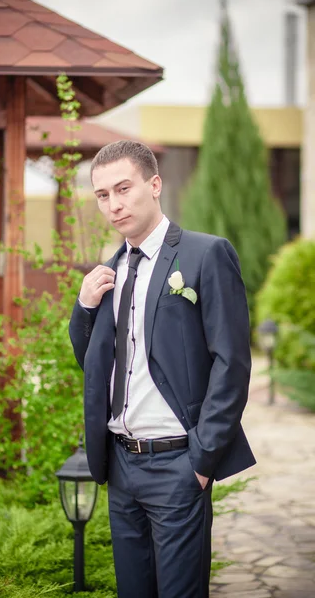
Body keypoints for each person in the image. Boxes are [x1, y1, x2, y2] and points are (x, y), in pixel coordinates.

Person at [69, 140, 255, 598]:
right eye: (102, 195)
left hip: (178, 464)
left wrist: (202, 459)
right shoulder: (110, 271)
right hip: (121, 466)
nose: (113, 204)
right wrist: (84, 306)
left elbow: (232, 364)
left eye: (123, 188)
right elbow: (92, 366)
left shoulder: (204, 255)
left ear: (154, 186)